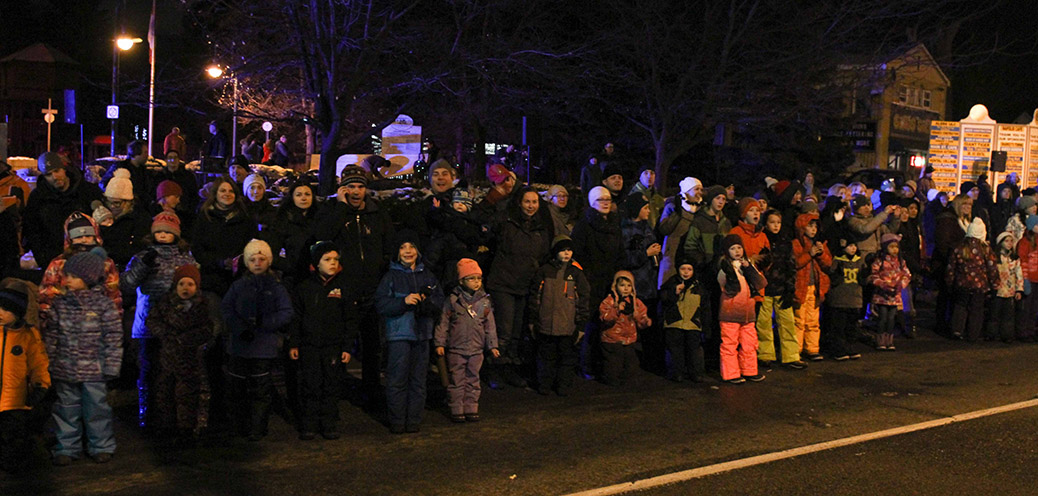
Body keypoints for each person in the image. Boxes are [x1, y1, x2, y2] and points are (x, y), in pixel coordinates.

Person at [312, 166, 392, 404]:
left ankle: (371, 390)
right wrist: (340, 206)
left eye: (360, 186)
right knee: (340, 342)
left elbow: (388, 244)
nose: (356, 192)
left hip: (372, 288)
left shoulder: (377, 213)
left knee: (371, 344)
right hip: (345, 289)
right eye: (351, 187)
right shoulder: (334, 211)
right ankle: (337, 390)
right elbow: (322, 236)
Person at [42, 248, 122, 465]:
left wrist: (112, 365)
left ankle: (101, 445)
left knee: (97, 409)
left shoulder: (103, 305)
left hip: (95, 370)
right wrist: (48, 363)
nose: (66, 280)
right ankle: (66, 446)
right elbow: (53, 335)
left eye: (73, 276)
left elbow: (113, 337)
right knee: (66, 409)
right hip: (65, 368)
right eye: (66, 275)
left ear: (88, 279)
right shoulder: (61, 304)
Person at [120, 212, 197, 429]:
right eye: (159, 232)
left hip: (176, 322)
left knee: (174, 369)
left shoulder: (184, 257)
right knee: (149, 368)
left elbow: (192, 283)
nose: (163, 235)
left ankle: (173, 416)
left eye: (167, 232)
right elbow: (126, 284)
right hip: (148, 323)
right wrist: (142, 266)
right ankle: (148, 413)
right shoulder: (142, 256)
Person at [221, 239, 293, 441]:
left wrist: (266, 322)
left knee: (260, 389)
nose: (258, 263)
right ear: (246, 262)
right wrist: (238, 327)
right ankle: (238, 425)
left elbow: (286, 312)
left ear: (269, 261)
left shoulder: (276, 287)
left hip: (263, 347)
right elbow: (226, 309)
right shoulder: (238, 286)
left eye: (262, 259)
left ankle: (257, 427)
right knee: (237, 389)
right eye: (253, 259)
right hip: (239, 346)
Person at [288, 242, 358, 440]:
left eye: (335, 259)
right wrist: (294, 343)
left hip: (333, 346)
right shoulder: (305, 288)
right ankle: (309, 423)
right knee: (311, 384)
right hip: (309, 345)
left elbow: (350, 320)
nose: (333, 263)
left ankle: (328, 423)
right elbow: (297, 318)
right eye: (327, 260)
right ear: (316, 263)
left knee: (331, 385)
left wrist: (347, 346)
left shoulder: (343, 287)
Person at [375, 230, 444, 434]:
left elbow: (440, 300)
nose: (408, 251)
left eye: (411, 247)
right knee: (397, 379)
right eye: (403, 247)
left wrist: (428, 303)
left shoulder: (428, 275)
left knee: (418, 380)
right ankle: (397, 421)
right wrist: (403, 301)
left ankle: (413, 420)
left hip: (422, 334)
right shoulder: (390, 277)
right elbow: (381, 303)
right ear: (397, 252)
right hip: (399, 335)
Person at [484, 186, 553, 388]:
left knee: (516, 332)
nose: (531, 206)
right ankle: (494, 369)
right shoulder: (506, 222)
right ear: (519, 203)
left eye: (534, 202)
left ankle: (510, 369)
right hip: (504, 282)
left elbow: (543, 255)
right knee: (503, 331)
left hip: (525, 284)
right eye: (527, 202)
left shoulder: (541, 227)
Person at [146, 264, 214, 441]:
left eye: (190, 284)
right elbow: (152, 321)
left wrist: (188, 338)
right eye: (182, 284)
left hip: (190, 359)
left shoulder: (201, 306)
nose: (185, 288)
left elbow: (207, 329)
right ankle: (167, 426)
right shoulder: (165, 303)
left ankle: (187, 428)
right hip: (167, 358)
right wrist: (166, 333)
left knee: (188, 395)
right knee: (165, 393)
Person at [434, 259, 499, 423]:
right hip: (456, 348)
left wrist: (492, 346)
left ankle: (471, 407)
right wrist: (440, 343)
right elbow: (443, 323)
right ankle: (457, 408)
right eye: (471, 278)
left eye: (478, 278)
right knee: (457, 380)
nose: (476, 282)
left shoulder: (484, 302)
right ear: (461, 280)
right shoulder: (453, 301)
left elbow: (490, 326)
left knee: (473, 379)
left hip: (476, 349)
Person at [528, 235, 590, 396]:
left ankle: (563, 385)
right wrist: (532, 320)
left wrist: (581, 323)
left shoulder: (576, 273)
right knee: (546, 358)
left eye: (569, 250)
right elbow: (535, 296)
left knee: (567, 358)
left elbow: (583, 298)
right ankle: (544, 385)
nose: (566, 253)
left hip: (568, 326)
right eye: (562, 250)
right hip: (546, 324)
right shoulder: (545, 271)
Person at [23, 152, 104, 269]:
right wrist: (43, 259)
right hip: (52, 261)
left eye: (57, 171)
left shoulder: (87, 191)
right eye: (48, 175)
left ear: (64, 169)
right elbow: (31, 229)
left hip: (85, 260)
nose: (54, 177)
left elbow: (101, 225)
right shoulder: (38, 197)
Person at [0, 287, 50, 473]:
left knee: (14, 436)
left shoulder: (28, 336)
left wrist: (40, 385)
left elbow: (39, 363)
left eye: (6, 310)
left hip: (16, 400)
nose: (0, 313)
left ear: (18, 313)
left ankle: (15, 466)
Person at [37, 213, 122, 315]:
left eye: (88, 236)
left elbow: (113, 294)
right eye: (78, 237)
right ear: (70, 239)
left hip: (98, 318)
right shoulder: (58, 263)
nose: (84, 240)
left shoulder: (106, 263)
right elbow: (46, 294)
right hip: (66, 317)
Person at [192, 176, 258, 296]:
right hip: (212, 281)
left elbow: (253, 245)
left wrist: (240, 263)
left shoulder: (246, 217)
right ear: (215, 194)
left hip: (239, 280)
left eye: (231, 191)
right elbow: (197, 249)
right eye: (223, 190)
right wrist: (218, 262)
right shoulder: (205, 217)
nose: (227, 194)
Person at [717, 234, 767, 384]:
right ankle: (731, 373)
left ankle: (749, 370)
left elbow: (761, 282)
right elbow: (728, 288)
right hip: (730, 313)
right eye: (733, 248)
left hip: (748, 313)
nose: (737, 251)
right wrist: (732, 271)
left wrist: (749, 269)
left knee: (749, 343)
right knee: (729, 344)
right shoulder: (724, 269)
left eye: (739, 248)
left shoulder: (747, 266)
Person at [758, 209, 802, 370]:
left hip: (782, 288)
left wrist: (790, 288)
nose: (776, 226)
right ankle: (765, 354)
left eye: (778, 222)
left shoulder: (785, 241)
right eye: (772, 222)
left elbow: (791, 265)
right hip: (765, 288)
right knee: (763, 324)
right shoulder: (762, 240)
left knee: (788, 323)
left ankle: (790, 356)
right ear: (766, 223)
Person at [944, 219, 999, 342]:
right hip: (980, 285)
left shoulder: (960, 247)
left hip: (962, 284)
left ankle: (957, 330)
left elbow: (951, 266)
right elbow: (992, 268)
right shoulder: (985, 249)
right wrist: (995, 283)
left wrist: (950, 281)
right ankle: (973, 334)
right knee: (977, 309)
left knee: (960, 306)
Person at [597, 271, 651, 386]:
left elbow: (642, 315)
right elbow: (605, 318)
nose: (626, 289)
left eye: (629, 285)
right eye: (622, 285)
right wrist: (617, 310)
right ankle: (611, 380)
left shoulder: (635, 302)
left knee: (630, 362)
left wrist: (645, 321)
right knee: (613, 362)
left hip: (629, 338)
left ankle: (628, 381)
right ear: (615, 286)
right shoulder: (609, 301)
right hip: (612, 338)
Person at [791, 212, 831, 362]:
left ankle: (812, 348)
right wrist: (810, 253)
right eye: (810, 226)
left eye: (815, 226)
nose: (813, 229)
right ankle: (796, 350)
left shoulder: (819, 244)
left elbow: (828, 264)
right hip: (801, 286)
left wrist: (820, 253)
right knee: (799, 319)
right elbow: (796, 263)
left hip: (815, 287)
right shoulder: (796, 244)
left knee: (813, 320)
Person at [659, 261, 707, 382]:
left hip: (693, 323)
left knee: (693, 350)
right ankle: (676, 373)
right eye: (683, 269)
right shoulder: (671, 283)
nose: (686, 272)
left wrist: (706, 326)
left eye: (689, 269)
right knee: (675, 350)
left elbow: (705, 307)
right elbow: (663, 300)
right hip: (674, 322)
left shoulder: (699, 286)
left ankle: (695, 373)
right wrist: (674, 292)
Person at [266, 179, 318, 288]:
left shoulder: (319, 219)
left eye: (307, 194)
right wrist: (292, 266)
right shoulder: (283, 220)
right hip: (293, 279)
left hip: (318, 277)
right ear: (292, 198)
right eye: (299, 195)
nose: (303, 198)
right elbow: (272, 253)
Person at [98, 168, 152, 268]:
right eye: (109, 202)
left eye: (117, 203)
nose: (112, 206)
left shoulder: (140, 219)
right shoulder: (102, 216)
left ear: (127, 202)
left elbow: (137, 249)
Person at [868, 234, 912, 350]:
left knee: (892, 318)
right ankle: (880, 340)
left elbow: (907, 275)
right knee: (883, 317)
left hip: (895, 295)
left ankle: (889, 340)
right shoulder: (880, 262)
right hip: (882, 295)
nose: (894, 250)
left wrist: (900, 285)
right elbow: (874, 276)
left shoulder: (901, 262)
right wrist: (883, 284)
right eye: (891, 247)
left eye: (896, 247)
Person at [824, 238, 865, 360]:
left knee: (851, 327)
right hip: (840, 300)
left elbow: (862, 279)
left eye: (854, 245)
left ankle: (850, 347)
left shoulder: (859, 261)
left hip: (855, 299)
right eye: (849, 245)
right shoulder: (838, 260)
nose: (853, 248)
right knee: (839, 327)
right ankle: (838, 349)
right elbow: (833, 277)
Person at [657, 177, 702, 288]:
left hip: (690, 252)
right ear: (687, 190)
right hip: (672, 251)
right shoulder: (673, 205)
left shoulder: (700, 209)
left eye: (701, 190)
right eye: (696, 189)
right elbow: (664, 229)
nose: (700, 193)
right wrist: (677, 213)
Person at [990, 232, 1023, 342]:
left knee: (1008, 315)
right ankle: (992, 334)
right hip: (998, 290)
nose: (1009, 243)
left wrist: (1019, 289)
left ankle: (1007, 335)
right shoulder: (995, 257)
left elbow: (1019, 274)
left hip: (1010, 291)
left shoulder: (1014, 258)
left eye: (1011, 241)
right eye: (1006, 241)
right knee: (994, 313)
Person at [102, 140, 154, 206]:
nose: (147, 156)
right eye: (145, 152)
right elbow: (104, 183)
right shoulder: (120, 167)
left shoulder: (144, 170)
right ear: (136, 153)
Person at [154, 149, 200, 219]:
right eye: (170, 158)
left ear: (179, 160)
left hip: (185, 214)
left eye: (175, 157)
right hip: (164, 213)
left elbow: (194, 195)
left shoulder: (188, 176)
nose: (173, 160)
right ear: (166, 160)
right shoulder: (159, 176)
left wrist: (189, 209)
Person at [1017, 215, 1038, 342]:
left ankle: (1031, 330)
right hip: (1030, 278)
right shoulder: (1025, 242)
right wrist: (1025, 279)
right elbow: (1023, 260)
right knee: (1027, 307)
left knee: (1034, 308)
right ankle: (1023, 331)